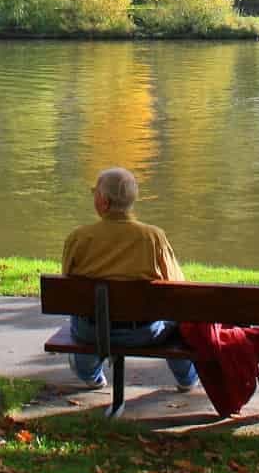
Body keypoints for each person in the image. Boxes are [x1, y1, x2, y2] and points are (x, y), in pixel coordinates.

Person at [60, 166, 198, 392]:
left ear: (103, 202)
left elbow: (67, 284)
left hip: (93, 331)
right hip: (144, 332)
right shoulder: (153, 237)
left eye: (95, 193)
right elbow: (177, 287)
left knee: (79, 321)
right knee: (177, 319)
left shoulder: (79, 238)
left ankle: (91, 375)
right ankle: (187, 378)